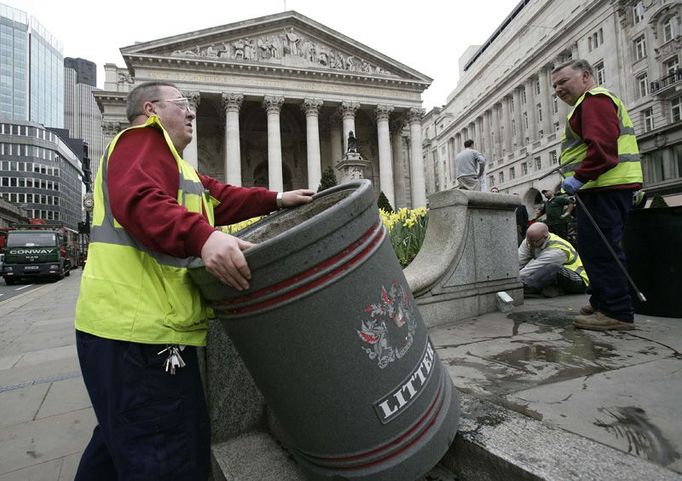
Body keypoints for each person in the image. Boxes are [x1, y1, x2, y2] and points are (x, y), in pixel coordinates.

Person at [73, 81, 314, 480]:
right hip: (143, 336)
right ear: (151, 111)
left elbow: (219, 196)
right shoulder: (139, 142)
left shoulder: (174, 166)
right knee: (169, 456)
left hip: (124, 333)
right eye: (181, 104)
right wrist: (203, 238)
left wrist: (276, 199)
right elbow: (141, 201)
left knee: (118, 444)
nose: (191, 112)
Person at [551, 59, 642, 331]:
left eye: (563, 81)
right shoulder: (588, 104)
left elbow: (603, 148)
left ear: (586, 76)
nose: (558, 89)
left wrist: (578, 178)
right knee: (595, 249)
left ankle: (615, 311)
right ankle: (604, 300)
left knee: (601, 250)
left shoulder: (594, 100)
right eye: (554, 85)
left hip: (604, 187)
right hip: (600, 188)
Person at [518, 222, 589, 298]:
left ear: (545, 237)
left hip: (578, 280)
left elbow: (532, 269)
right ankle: (552, 289)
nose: (530, 244)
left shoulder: (558, 249)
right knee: (543, 271)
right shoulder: (530, 240)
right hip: (554, 278)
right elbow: (518, 261)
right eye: (528, 240)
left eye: (534, 242)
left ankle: (525, 288)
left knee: (553, 268)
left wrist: (514, 283)